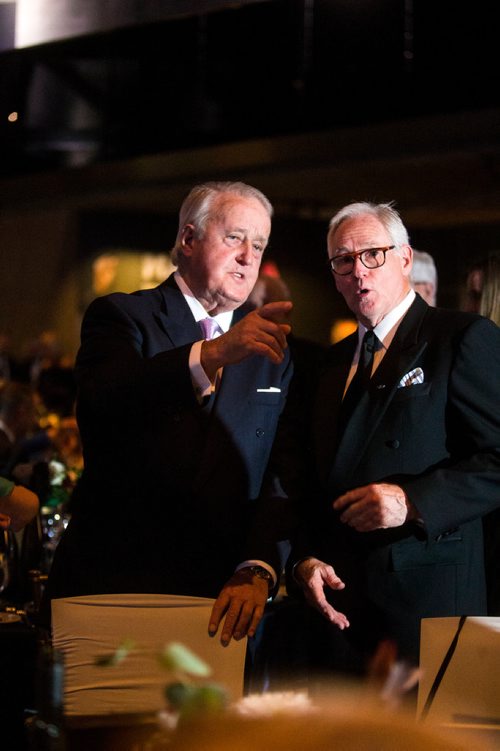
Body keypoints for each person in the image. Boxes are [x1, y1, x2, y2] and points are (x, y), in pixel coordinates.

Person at [44, 181, 294, 648]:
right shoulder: (122, 316)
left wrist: (258, 565)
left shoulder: (267, 350)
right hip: (118, 585)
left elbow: (280, 470)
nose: (248, 256)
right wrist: (214, 352)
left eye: (258, 244)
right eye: (235, 237)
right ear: (188, 239)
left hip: (220, 604)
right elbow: (109, 400)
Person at [282, 201, 500, 679]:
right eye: (343, 260)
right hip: (336, 611)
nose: (358, 271)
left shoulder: (461, 338)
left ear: (404, 258)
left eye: (372, 255)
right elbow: (305, 481)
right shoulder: (328, 363)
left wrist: (413, 500)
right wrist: (302, 559)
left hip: (424, 609)